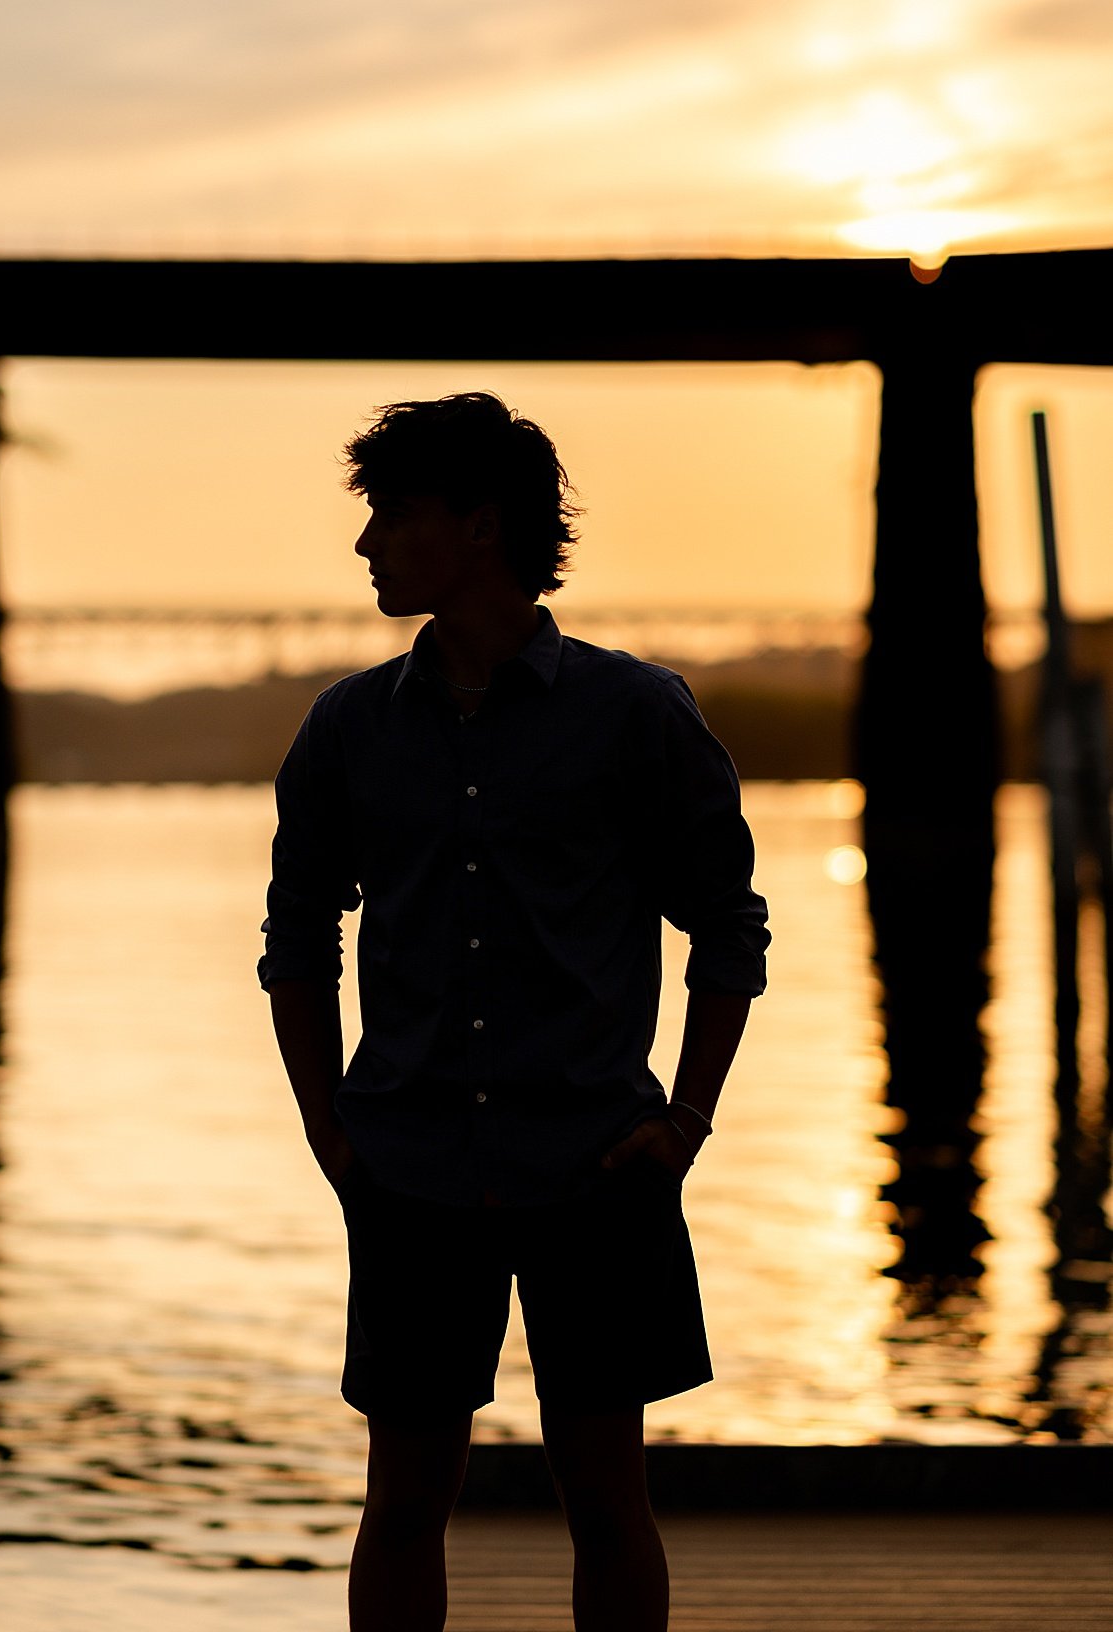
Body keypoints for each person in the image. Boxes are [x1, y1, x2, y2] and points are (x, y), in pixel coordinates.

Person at [259, 392, 769, 1632]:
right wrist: (334, 1132)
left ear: (478, 528)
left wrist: (685, 1120)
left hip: (598, 1161)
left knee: (605, 1496)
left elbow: (729, 929)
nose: (368, 543)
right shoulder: (345, 727)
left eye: (393, 514)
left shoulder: (637, 712)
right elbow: (295, 942)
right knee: (404, 1496)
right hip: (412, 1164)